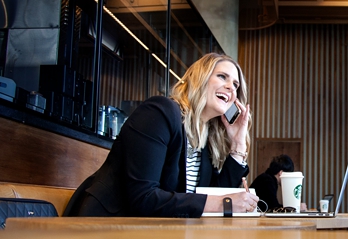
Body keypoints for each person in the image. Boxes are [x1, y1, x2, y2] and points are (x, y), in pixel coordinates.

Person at [64, 53, 259, 217]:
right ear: (200, 79)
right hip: (102, 229)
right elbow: (143, 198)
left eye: (236, 85)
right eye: (222, 77)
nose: (231, 87)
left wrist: (238, 144)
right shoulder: (161, 112)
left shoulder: (206, 138)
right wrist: (223, 203)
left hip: (155, 235)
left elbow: (213, 195)